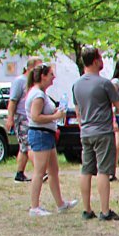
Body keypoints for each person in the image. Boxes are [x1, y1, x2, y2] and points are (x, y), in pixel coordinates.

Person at [71, 45, 119, 221]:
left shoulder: (76, 85)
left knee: (86, 170)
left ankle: (86, 209)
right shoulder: (104, 83)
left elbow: (77, 111)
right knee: (103, 171)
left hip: (85, 132)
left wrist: (83, 125)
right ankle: (105, 210)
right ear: (95, 61)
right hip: (103, 131)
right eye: (100, 58)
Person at [22, 63, 75, 216]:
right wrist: (55, 116)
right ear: (43, 76)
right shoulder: (37, 95)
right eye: (51, 74)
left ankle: (60, 203)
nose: (54, 78)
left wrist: (56, 111)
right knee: (39, 171)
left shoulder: (41, 94)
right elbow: (36, 117)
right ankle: (34, 207)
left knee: (53, 170)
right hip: (40, 134)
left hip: (47, 134)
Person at [6, 56, 41, 182]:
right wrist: (10, 118)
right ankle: (40, 171)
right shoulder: (20, 81)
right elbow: (13, 101)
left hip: (30, 116)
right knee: (28, 144)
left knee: (23, 147)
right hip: (21, 117)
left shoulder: (33, 84)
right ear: (30, 68)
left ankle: (19, 173)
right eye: (38, 68)